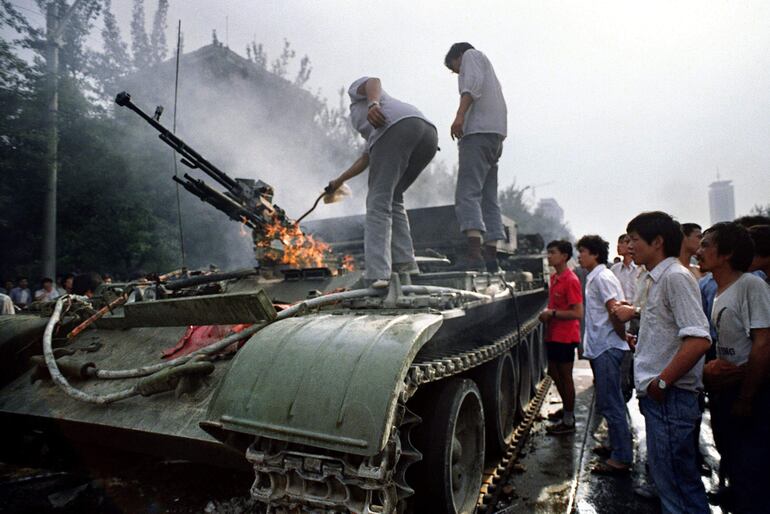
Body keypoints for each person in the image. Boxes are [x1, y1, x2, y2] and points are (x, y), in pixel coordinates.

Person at [618, 211, 711, 514]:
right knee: (671, 483)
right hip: (662, 398)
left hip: (670, 398)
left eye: (634, 240)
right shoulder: (658, 277)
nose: (629, 246)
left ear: (657, 242)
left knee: (679, 491)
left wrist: (661, 382)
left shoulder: (675, 278)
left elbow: (698, 339)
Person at [327, 77, 438, 288]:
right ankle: (406, 264)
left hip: (397, 128)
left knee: (378, 204)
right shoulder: (372, 132)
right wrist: (339, 181)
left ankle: (378, 274)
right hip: (426, 133)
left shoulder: (357, 97)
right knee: (394, 196)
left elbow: (373, 81)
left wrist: (373, 104)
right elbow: (366, 159)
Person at [698, 222, 770, 514]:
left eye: (706, 245)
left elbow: (763, 344)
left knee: (753, 471)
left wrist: (746, 396)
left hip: (750, 394)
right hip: (727, 392)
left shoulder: (750, 285)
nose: (699, 252)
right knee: (736, 463)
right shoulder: (719, 290)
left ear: (726, 253)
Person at [444, 42, 507, 272]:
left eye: (454, 67)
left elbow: (471, 87)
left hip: (478, 134)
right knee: (489, 197)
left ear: (458, 56)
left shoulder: (471, 55)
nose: (457, 73)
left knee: (467, 193)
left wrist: (459, 116)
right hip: (495, 137)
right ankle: (491, 255)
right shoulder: (489, 71)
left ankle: (474, 253)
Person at [577, 235, 633, 473]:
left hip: (608, 347)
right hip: (603, 346)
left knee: (612, 403)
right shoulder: (596, 276)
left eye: (583, 252)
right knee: (608, 401)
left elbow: (616, 311)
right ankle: (615, 446)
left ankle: (621, 457)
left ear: (595, 255)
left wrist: (621, 337)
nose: (579, 256)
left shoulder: (602, 277)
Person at [539, 240, 584, 435]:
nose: (549, 256)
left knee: (565, 377)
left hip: (565, 336)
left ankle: (568, 420)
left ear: (564, 256)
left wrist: (552, 313)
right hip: (554, 334)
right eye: (548, 253)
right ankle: (567, 407)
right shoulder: (556, 278)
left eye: (553, 252)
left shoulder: (570, 280)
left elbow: (577, 313)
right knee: (554, 373)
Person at [610, 234, 640, 302]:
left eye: (621, 243)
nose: (618, 246)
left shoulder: (640, 269)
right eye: (618, 243)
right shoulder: (615, 269)